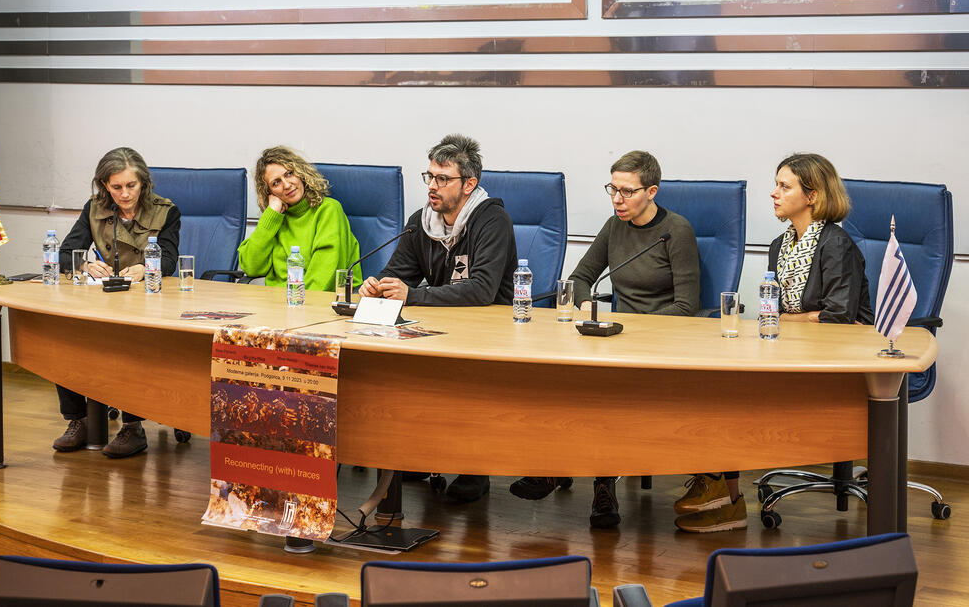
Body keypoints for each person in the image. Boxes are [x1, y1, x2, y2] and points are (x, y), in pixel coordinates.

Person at [672, 152, 873, 533]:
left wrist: (790, 319)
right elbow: (779, 315)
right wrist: (799, 318)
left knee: (733, 395)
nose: (774, 193)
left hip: (837, 363)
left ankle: (726, 497)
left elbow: (838, 318)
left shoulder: (835, 243)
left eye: (784, 186)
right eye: (776, 185)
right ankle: (722, 492)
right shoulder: (781, 246)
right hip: (793, 352)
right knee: (717, 381)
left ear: (811, 196)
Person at [508, 150, 701, 528]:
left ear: (652, 191)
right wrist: (585, 305)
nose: (617, 199)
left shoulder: (675, 231)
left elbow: (687, 306)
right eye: (612, 189)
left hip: (659, 343)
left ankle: (600, 485)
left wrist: (632, 328)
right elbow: (582, 277)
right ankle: (554, 466)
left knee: (604, 392)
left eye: (627, 191)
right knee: (558, 377)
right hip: (613, 336)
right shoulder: (615, 226)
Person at [359, 133, 517, 501]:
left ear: (469, 184)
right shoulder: (421, 222)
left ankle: (475, 469)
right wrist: (378, 287)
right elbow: (398, 273)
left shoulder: (492, 220)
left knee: (468, 379)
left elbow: (481, 291)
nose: (433, 185)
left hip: (490, 328)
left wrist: (412, 295)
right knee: (401, 370)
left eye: (443, 179)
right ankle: (422, 455)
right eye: (430, 176)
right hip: (442, 323)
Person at [55, 146, 181, 458]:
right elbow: (64, 254)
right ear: (104, 186)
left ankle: (133, 427)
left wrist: (145, 268)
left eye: (131, 186)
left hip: (148, 300)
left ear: (144, 183)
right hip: (104, 297)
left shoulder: (166, 211)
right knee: (63, 334)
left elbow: (169, 260)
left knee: (129, 342)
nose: (124, 194)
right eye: (116, 187)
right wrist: (84, 266)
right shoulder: (94, 208)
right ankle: (79, 420)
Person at [237, 146, 362, 290]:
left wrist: (294, 303)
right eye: (276, 183)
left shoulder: (329, 210)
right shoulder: (275, 218)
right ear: (269, 192)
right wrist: (271, 215)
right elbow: (252, 267)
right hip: (279, 301)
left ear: (301, 173)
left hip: (316, 302)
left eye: (289, 174)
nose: (287, 185)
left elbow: (323, 280)